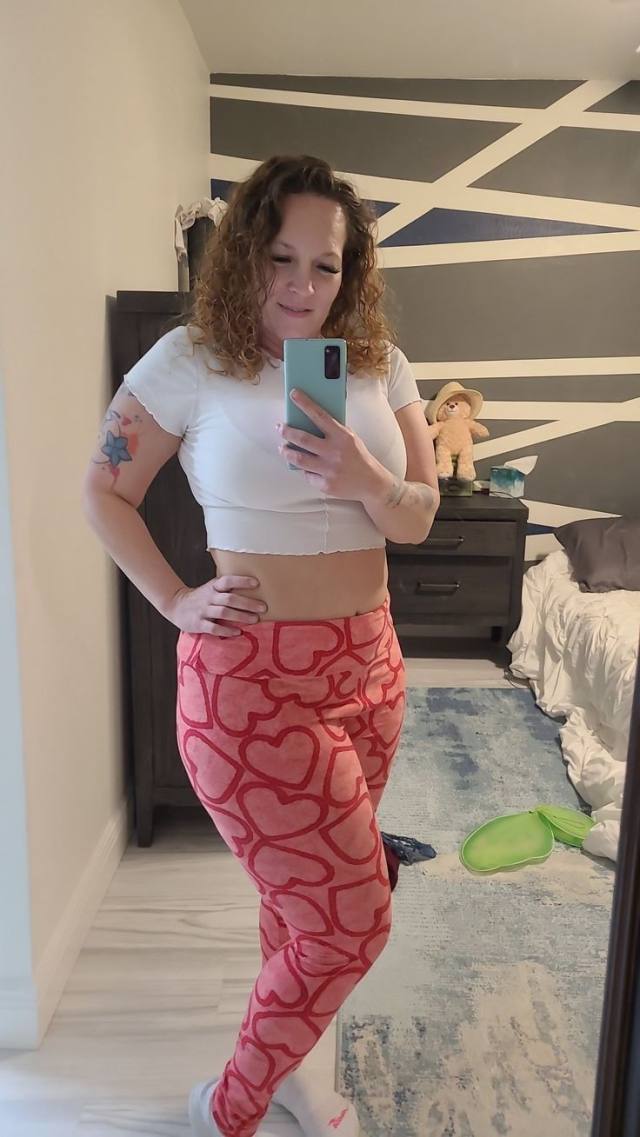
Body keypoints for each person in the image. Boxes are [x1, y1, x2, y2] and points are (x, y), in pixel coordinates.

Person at [82, 154, 439, 1137]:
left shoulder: (380, 366)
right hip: (251, 685)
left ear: (350, 272)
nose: (301, 285)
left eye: (325, 265)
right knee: (353, 918)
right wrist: (174, 598)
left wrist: (365, 476)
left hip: (370, 669)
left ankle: (299, 1077)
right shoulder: (188, 360)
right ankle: (228, 1106)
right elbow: (104, 490)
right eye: (280, 257)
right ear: (244, 253)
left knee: (303, 908)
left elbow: (416, 516)